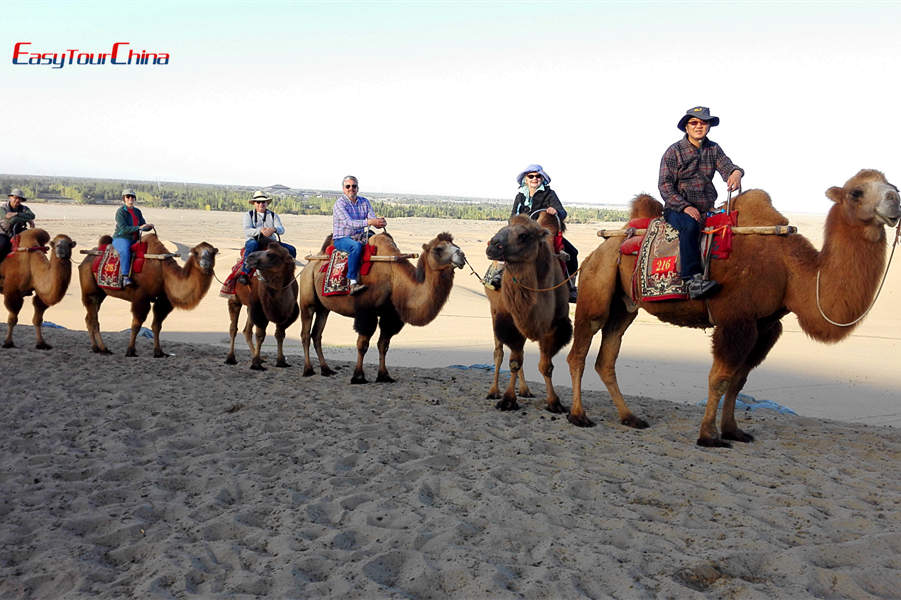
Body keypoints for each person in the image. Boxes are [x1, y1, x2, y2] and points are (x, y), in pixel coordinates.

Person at [658, 106, 743, 300]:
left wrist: (736, 173)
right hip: (678, 208)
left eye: (703, 123)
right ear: (686, 127)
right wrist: (685, 207)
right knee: (689, 226)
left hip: (707, 208)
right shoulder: (674, 152)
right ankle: (692, 280)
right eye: (694, 123)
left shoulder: (713, 149)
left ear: (709, 127)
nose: (699, 126)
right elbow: (664, 185)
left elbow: (728, 167)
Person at [511, 164, 578, 302]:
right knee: (500, 246)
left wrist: (555, 211)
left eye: (538, 176)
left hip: (544, 233)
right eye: (531, 176)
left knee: (573, 252)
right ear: (526, 179)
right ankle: (497, 276)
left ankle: (570, 287)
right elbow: (513, 216)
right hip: (522, 233)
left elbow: (562, 212)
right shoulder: (520, 196)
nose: (535, 179)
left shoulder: (549, 193)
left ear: (542, 178)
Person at [332, 175, 386, 295]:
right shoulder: (339, 204)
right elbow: (349, 223)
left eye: (354, 186)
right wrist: (370, 222)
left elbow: (371, 218)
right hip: (343, 238)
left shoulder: (364, 202)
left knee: (384, 241)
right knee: (355, 247)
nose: (351, 189)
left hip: (362, 235)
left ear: (357, 188)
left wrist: (379, 223)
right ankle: (352, 281)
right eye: (348, 186)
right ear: (343, 189)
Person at [237, 191, 297, 285]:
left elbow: (281, 229)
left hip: (271, 241)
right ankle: (245, 273)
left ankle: (288, 274)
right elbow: (247, 230)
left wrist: (273, 229)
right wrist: (260, 231)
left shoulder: (273, 215)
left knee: (291, 249)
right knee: (252, 246)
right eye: (258, 202)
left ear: (266, 203)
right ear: (254, 203)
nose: (261, 204)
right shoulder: (249, 215)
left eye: (263, 202)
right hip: (254, 239)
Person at [113, 189, 153, 286]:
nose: (130, 198)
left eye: (132, 197)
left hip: (135, 239)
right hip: (122, 238)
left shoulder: (137, 211)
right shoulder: (120, 212)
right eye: (128, 196)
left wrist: (148, 227)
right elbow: (123, 228)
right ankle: (125, 277)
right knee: (125, 251)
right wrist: (139, 227)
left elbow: (143, 225)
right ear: (124, 199)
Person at [0, 188, 36, 263]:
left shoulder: (24, 208)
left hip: (20, 232)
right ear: (10, 197)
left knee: (32, 245)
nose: (17, 200)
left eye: (19, 199)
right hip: (4, 233)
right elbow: (11, 220)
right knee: (2, 246)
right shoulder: (2, 209)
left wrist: (17, 214)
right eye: (15, 198)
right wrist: (26, 219)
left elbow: (32, 215)